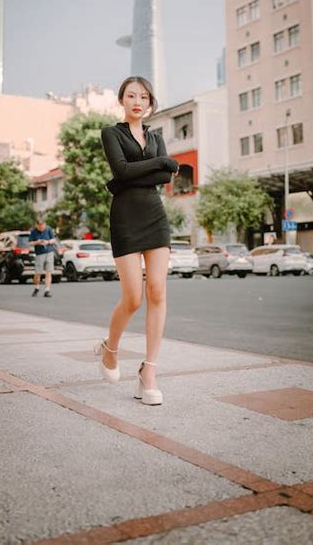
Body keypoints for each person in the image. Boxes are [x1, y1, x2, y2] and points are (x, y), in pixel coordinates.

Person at [95, 76, 179, 406]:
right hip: (126, 217)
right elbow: (122, 171)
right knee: (133, 299)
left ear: (150, 102)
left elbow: (157, 178)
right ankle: (109, 348)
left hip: (155, 215)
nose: (137, 101)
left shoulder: (156, 135)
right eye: (131, 96)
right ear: (122, 101)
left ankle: (149, 372)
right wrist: (161, 161)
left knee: (157, 291)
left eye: (143, 96)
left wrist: (143, 170)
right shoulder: (111, 133)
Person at [29, 216, 56, 298]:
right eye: (39, 226)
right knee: (38, 273)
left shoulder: (49, 229)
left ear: (45, 224)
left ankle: (47, 290)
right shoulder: (33, 231)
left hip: (49, 252)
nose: (41, 228)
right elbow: (30, 243)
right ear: (36, 225)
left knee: (48, 272)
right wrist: (37, 242)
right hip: (39, 253)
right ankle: (37, 287)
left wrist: (47, 242)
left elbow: (53, 240)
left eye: (43, 226)